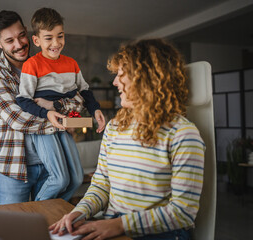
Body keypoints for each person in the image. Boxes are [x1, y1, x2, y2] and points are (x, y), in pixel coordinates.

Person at [50, 39, 205, 240]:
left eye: (121, 75)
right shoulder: (114, 127)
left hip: (161, 233)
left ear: (146, 78)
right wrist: (79, 212)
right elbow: (101, 184)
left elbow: (182, 213)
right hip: (111, 224)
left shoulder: (183, 134)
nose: (115, 82)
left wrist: (119, 225)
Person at [0, 10, 85, 204]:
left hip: (51, 166)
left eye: (21, 36)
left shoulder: (47, 62)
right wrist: (62, 121)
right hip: (12, 167)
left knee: (47, 223)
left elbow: (78, 101)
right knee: (15, 229)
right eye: (10, 41)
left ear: (29, 33)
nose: (19, 44)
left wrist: (54, 104)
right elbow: (17, 118)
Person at [16, 8, 106, 201]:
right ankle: (38, 215)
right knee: (59, 179)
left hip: (66, 124)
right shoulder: (32, 64)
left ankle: (54, 213)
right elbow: (23, 99)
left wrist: (95, 109)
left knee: (76, 179)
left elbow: (85, 90)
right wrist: (45, 112)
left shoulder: (71, 63)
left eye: (60, 36)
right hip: (43, 125)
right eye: (48, 38)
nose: (56, 43)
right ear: (36, 41)